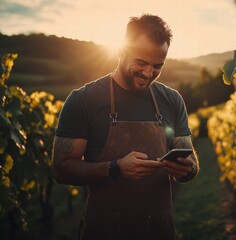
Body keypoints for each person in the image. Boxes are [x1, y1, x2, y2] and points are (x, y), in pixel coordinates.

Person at [52, 14, 199, 240]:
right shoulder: (83, 100)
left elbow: (191, 163)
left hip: (160, 230)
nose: (149, 73)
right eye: (141, 62)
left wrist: (188, 170)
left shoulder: (172, 100)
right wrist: (115, 168)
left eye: (157, 66)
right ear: (121, 51)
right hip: (104, 231)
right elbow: (61, 170)